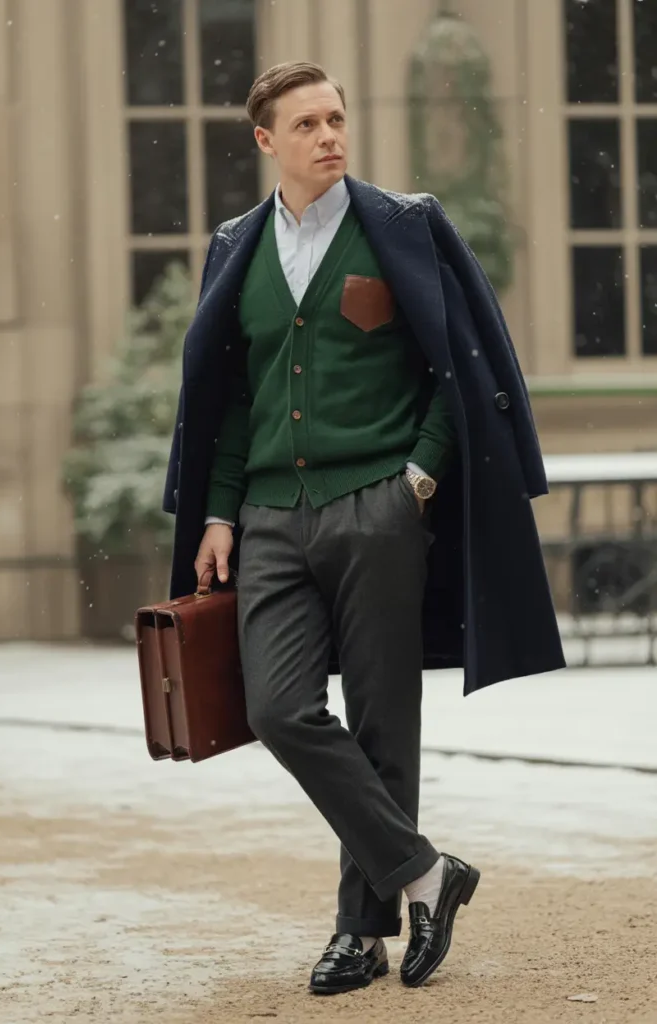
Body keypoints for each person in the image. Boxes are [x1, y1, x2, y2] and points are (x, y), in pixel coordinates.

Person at [163, 61, 565, 994]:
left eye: (336, 118)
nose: (328, 136)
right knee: (279, 710)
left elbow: (454, 369)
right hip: (266, 518)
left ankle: (358, 932)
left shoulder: (402, 227)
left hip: (381, 509)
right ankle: (425, 873)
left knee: (384, 722)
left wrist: (417, 476)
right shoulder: (236, 245)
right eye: (305, 124)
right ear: (265, 140)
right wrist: (217, 511)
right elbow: (227, 397)